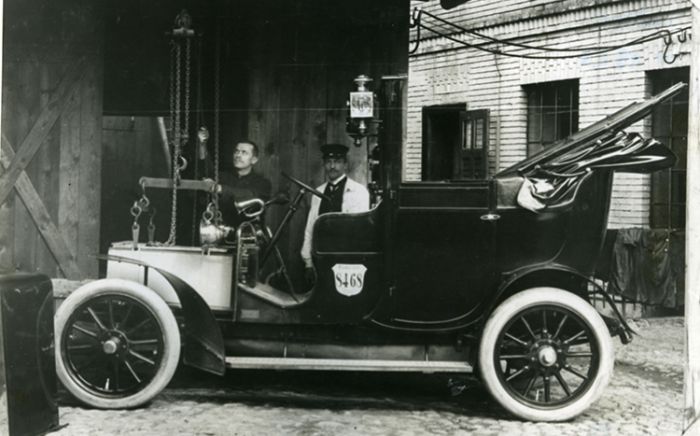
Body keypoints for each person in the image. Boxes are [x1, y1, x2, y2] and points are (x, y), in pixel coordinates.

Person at [301, 144, 370, 283]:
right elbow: (310, 228)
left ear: (345, 165)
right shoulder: (318, 193)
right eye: (328, 162)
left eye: (337, 162)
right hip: (321, 256)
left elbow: (360, 230)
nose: (332, 166)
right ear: (324, 164)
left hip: (347, 258)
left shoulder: (358, 192)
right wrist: (308, 261)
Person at [202, 140, 272, 225]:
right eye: (236, 151)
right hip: (222, 231)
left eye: (244, 152)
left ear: (254, 160)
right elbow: (207, 170)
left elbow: (249, 194)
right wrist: (202, 144)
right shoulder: (223, 177)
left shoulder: (263, 183)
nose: (238, 155)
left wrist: (221, 189)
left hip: (247, 233)